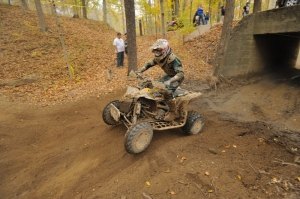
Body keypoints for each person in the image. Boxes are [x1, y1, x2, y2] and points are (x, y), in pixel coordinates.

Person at [136, 39, 184, 120]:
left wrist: (170, 81)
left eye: (159, 50)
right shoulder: (159, 57)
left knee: (167, 92)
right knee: (156, 87)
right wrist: (140, 70)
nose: (157, 52)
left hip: (176, 78)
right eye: (155, 50)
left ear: (165, 49)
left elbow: (181, 74)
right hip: (168, 75)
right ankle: (160, 105)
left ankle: (173, 112)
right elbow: (149, 64)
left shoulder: (173, 59)